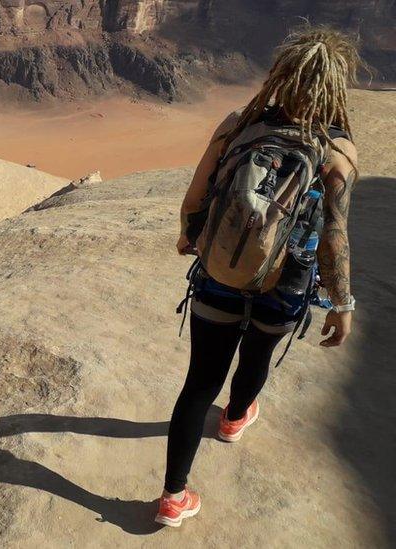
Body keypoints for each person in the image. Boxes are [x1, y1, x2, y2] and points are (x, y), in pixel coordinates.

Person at [155, 27, 362, 527]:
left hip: (221, 274)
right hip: (287, 285)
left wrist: (191, 238)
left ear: (281, 75)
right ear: (335, 88)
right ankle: (233, 419)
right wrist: (342, 302)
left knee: (200, 379)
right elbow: (335, 235)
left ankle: (171, 498)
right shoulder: (338, 152)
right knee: (258, 354)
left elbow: (195, 196)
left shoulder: (239, 126)